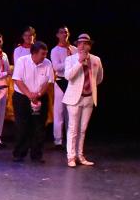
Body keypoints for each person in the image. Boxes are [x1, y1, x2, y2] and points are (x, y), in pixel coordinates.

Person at [63, 34, 103, 167]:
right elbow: (68, 76)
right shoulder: (70, 59)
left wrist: (91, 88)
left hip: (89, 97)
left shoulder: (96, 59)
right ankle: (71, 156)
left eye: (86, 43)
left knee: (83, 129)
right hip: (74, 98)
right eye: (80, 43)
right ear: (77, 45)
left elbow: (99, 78)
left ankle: (80, 155)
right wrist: (80, 62)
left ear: (89, 46)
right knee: (73, 128)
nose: (82, 45)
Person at [12, 42, 54, 163]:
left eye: (46, 53)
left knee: (39, 126)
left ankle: (36, 155)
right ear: (34, 53)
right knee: (22, 125)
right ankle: (19, 154)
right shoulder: (22, 61)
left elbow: (49, 82)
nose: (44, 56)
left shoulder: (47, 63)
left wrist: (39, 94)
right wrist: (29, 94)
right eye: (42, 54)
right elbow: (17, 80)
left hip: (40, 97)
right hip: (22, 97)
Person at [50, 26, 76, 148]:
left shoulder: (74, 49)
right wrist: (69, 61)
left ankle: (71, 139)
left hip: (72, 82)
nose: (64, 34)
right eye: (61, 32)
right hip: (60, 81)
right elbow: (56, 67)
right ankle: (58, 140)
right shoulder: (55, 50)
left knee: (71, 113)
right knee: (59, 112)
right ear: (57, 35)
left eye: (66, 32)